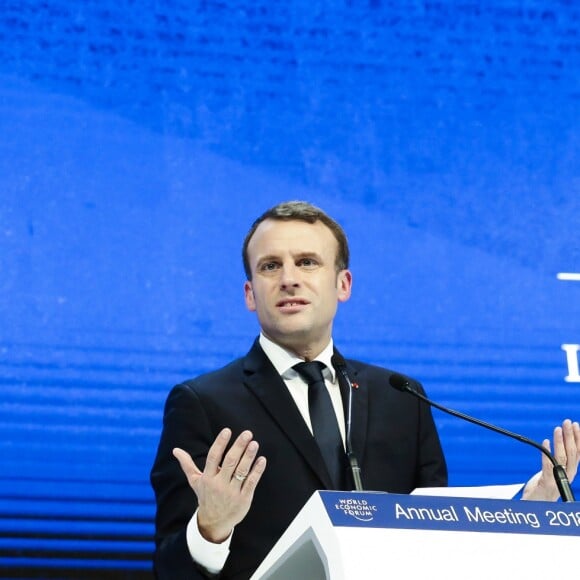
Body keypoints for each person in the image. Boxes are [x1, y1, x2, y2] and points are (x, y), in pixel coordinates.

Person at [150, 200, 580, 580]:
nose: (289, 279)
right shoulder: (203, 403)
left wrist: (527, 514)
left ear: (343, 285)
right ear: (250, 294)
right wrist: (211, 529)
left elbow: (441, 543)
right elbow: (169, 569)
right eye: (270, 266)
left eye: (307, 262)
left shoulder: (402, 397)